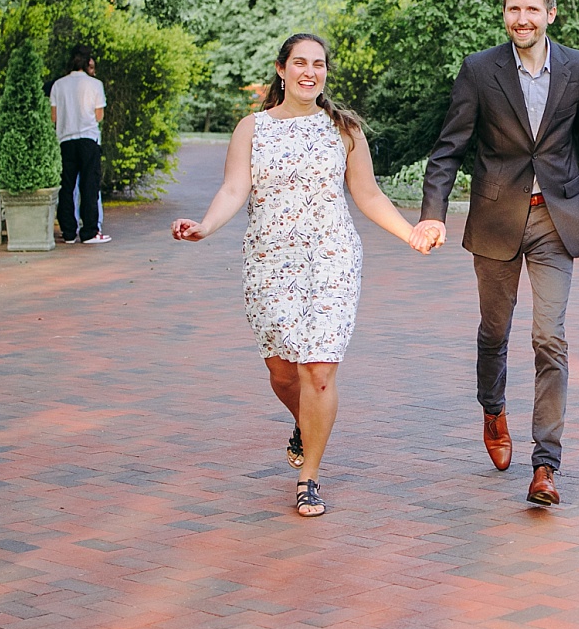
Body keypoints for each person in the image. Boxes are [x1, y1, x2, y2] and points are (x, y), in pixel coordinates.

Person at [172, 33, 436, 517]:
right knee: (282, 370)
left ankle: (308, 475)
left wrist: (410, 233)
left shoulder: (344, 128)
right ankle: (304, 424)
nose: (309, 71)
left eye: (318, 64)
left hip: (332, 259)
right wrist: (204, 227)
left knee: (317, 369)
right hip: (269, 260)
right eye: (299, 63)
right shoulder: (251, 128)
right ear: (281, 69)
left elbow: (369, 195)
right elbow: (234, 189)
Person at [414, 0, 579, 507]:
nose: (521, 19)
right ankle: (492, 407)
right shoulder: (480, 70)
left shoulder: (578, 67)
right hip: (495, 219)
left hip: (555, 220)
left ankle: (546, 466)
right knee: (495, 331)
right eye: (513, 10)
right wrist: (433, 214)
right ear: (504, 14)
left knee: (549, 338)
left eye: (532, 10)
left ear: (551, 13)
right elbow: (448, 148)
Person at [50, 45, 110, 244]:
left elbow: (54, 116)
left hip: (65, 140)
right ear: (87, 63)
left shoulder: (58, 85)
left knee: (66, 186)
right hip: (88, 139)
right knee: (89, 185)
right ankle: (90, 231)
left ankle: (68, 232)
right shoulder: (95, 84)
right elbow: (99, 115)